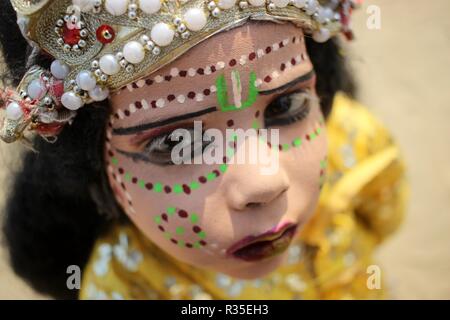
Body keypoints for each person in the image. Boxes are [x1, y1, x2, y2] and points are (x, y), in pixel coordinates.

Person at [0, 0, 407, 300]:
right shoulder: (125, 286)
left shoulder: (355, 144)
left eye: (285, 106)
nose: (264, 182)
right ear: (93, 172)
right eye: (177, 143)